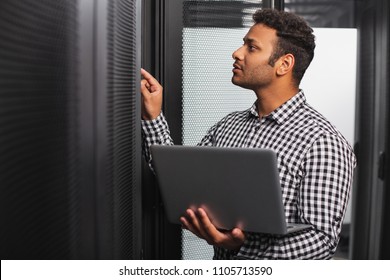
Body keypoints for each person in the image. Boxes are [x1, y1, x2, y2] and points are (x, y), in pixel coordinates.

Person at [140, 9, 356, 259]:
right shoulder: (229, 125)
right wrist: (152, 116)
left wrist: (240, 248)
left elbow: (320, 241)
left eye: (251, 47)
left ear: (284, 64)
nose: (237, 53)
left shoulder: (323, 141)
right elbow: (177, 178)